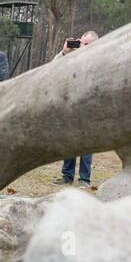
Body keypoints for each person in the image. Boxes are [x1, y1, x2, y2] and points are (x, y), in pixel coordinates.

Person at [52, 30, 98, 189]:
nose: (81, 46)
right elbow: (53, 68)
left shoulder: (100, 58)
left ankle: (84, 179)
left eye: (85, 44)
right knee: (69, 141)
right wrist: (64, 52)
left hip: (89, 105)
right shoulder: (72, 57)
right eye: (81, 43)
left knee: (87, 144)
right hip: (71, 104)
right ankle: (67, 176)